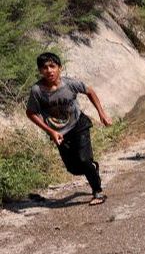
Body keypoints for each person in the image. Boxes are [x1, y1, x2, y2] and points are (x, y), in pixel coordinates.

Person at [25, 53, 114, 206]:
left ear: (60, 68)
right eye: (45, 68)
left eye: (52, 66)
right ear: (40, 71)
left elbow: (90, 91)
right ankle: (92, 168)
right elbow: (31, 113)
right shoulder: (37, 91)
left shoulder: (70, 84)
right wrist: (50, 131)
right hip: (59, 133)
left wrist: (102, 114)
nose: (49, 70)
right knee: (73, 169)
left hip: (79, 124)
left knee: (84, 159)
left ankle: (97, 191)